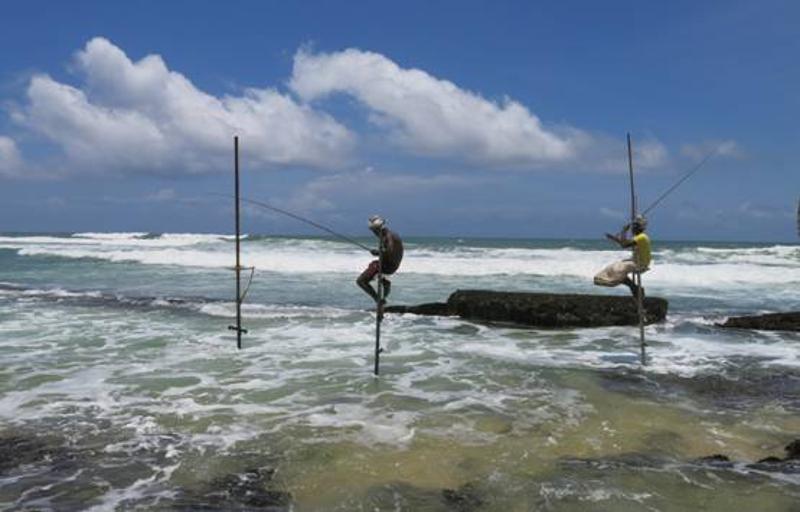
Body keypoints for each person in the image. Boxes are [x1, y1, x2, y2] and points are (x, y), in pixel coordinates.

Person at [593, 214, 651, 297]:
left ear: (640, 228)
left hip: (640, 263)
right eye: (633, 227)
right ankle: (633, 287)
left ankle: (632, 286)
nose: (632, 229)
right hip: (636, 261)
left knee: (618, 268)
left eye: (635, 227)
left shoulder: (641, 237)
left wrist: (624, 231)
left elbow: (624, 245)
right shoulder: (638, 237)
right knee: (613, 267)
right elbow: (624, 243)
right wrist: (614, 238)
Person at [357, 215, 404, 304]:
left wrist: (377, 252)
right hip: (394, 266)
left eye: (373, 230)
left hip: (386, 266)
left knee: (360, 281)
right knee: (376, 268)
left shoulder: (388, 236)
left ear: (377, 229)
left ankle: (377, 300)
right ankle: (384, 290)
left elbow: (390, 250)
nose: (373, 233)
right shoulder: (393, 235)